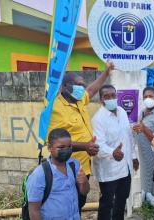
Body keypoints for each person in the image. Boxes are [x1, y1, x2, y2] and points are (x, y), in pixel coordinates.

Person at [47, 58, 114, 211]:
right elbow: (53, 141)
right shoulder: (57, 109)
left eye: (82, 85)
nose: (82, 88)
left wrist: (106, 72)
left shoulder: (77, 99)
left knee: (79, 202)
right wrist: (85, 146)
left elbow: (91, 91)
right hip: (67, 167)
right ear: (65, 86)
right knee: (68, 204)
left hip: (83, 165)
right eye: (78, 85)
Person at [91, 85, 139, 220]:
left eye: (113, 95)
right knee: (107, 203)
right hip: (108, 169)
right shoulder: (98, 119)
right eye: (106, 96)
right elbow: (98, 145)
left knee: (122, 199)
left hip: (125, 167)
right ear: (101, 99)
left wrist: (134, 157)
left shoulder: (122, 111)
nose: (110, 98)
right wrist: (113, 152)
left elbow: (128, 136)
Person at [27, 128, 90, 220]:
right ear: (49, 148)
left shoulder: (74, 165)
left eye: (69, 146)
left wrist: (84, 181)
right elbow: (34, 211)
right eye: (61, 147)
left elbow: (84, 191)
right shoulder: (39, 175)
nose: (66, 150)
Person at [132, 86, 154, 220]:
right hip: (146, 157)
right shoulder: (142, 112)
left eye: (151, 96)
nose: (148, 99)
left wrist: (144, 129)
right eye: (145, 97)